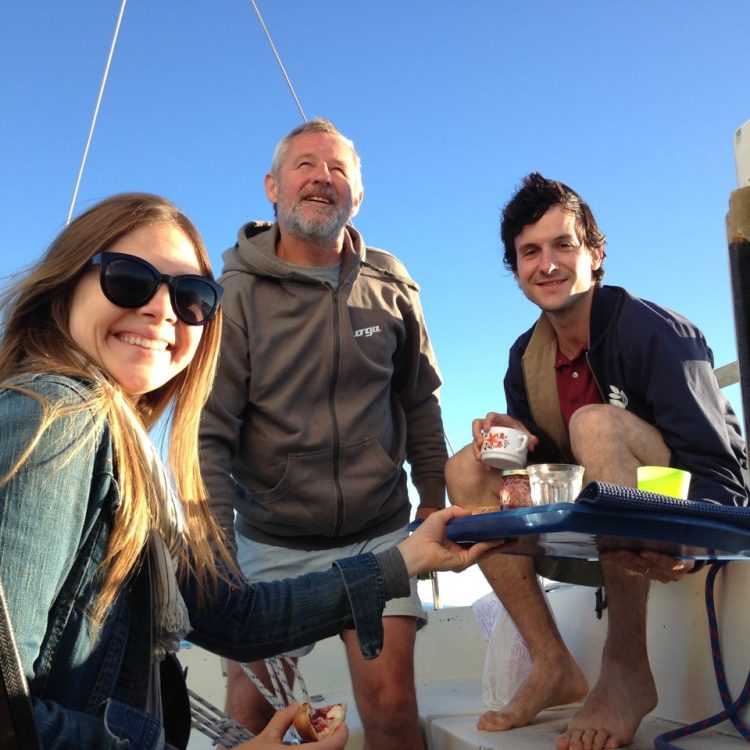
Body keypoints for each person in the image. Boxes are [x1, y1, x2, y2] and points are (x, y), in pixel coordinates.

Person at [0, 192, 498, 749]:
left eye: (190, 297)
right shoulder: (54, 421)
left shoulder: (120, 449)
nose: (162, 310)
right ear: (66, 282)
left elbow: (237, 620)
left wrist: (413, 555)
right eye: (130, 278)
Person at [445, 172, 749, 750]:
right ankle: (552, 662)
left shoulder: (657, 334)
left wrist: (682, 544)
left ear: (596, 253)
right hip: (598, 534)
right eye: (529, 252)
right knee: (466, 466)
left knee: (594, 420)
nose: (548, 264)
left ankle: (628, 666)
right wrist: (520, 439)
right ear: (515, 269)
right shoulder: (524, 357)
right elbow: (555, 471)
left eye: (564, 245)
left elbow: (726, 477)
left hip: (677, 517)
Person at [199, 117, 448, 749]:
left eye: (338, 169)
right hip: (272, 540)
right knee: (248, 715)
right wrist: (217, 550)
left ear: (357, 196)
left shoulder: (391, 286)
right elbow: (210, 434)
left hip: (377, 531)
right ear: (272, 187)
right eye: (305, 165)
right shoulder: (234, 297)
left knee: (391, 706)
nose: (322, 178)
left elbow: (420, 401)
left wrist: (435, 499)